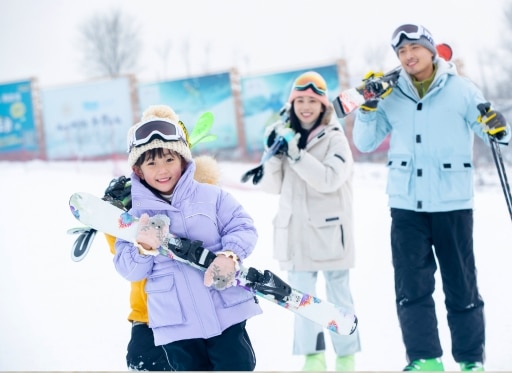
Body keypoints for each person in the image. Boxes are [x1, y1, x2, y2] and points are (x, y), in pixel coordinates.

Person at [352, 24, 511, 372]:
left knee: (461, 283)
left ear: (430, 49)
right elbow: (364, 144)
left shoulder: (462, 90)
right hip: (406, 204)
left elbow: (493, 134)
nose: (408, 56)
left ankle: (470, 360)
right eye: (401, 52)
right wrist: (368, 107)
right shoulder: (390, 94)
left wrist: (498, 126)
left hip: (452, 203)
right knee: (411, 284)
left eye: (414, 48)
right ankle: (425, 359)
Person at [113, 104, 263, 371]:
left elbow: (243, 226)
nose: (162, 170)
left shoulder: (211, 196)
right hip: (176, 324)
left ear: (183, 159)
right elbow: (128, 270)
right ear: (138, 171)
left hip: (224, 312)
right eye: (152, 162)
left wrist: (230, 255)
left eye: (169, 159)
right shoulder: (136, 217)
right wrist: (142, 249)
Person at [260, 71, 361, 371]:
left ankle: (345, 356)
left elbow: (329, 179)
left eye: (312, 101)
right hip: (294, 234)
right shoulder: (285, 136)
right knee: (302, 300)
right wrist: (274, 153)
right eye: (299, 100)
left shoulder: (335, 138)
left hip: (330, 233)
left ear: (322, 105)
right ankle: (312, 357)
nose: (305, 106)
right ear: (292, 104)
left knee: (338, 297)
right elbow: (270, 187)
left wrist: (297, 155)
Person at [102, 153, 221, 371]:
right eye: (152, 163)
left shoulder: (204, 204)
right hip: (148, 318)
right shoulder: (141, 202)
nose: (161, 170)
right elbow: (122, 255)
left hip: (198, 318)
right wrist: (116, 217)